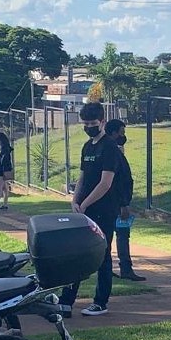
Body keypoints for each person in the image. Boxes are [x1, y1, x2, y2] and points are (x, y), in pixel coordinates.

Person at [60, 101, 121, 316]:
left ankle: (100, 302)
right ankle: (66, 301)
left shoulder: (110, 148)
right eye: (85, 123)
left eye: (92, 123)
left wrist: (85, 204)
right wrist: (75, 200)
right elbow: (84, 176)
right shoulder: (88, 147)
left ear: (102, 121)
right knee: (76, 254)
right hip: (84, 210)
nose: (88, 127)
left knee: (102, 255)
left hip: (104, 210)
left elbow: (105, 183)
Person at [104, 118, 145, 282]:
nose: (123, 136)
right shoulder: (112, 152)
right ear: (114, 133)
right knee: (120, 235)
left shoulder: (111, 150)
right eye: (121, 132)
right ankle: (125, 268)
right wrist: (123, 204)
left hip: (113, 201)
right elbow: (118, 181)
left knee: (112, 235)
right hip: (115, 202)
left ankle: (109, 267)